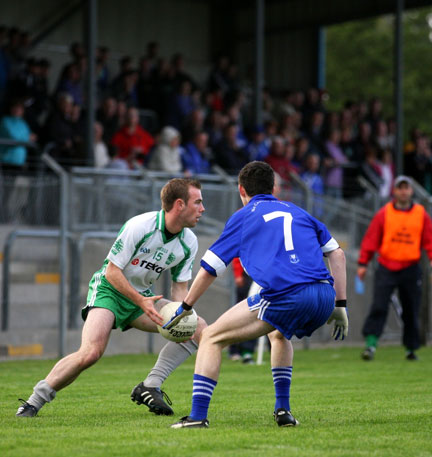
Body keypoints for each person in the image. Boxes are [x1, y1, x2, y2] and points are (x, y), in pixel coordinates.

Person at [166, 161, 348, 428]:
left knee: (212, 337)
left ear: (242, 190)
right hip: (324, 296)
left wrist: (185, 306)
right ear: (273, 188)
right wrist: (340, 304)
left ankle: (197, 417)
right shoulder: (299, 212)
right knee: (277, 333)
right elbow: (337, 253)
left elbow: (209, 269)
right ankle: (283, 411)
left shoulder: (244, 216)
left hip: (289, 295)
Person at [16, 178, 207, 417]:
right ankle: (33, 402)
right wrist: (140, 301)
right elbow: (112, 272)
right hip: (109, 290)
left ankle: (150, 386)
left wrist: (181, 314)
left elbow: (180, 288)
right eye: (198, 202)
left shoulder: (189, 242)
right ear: (179, 204)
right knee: (91, 353)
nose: (203, 209)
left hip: (143, 298)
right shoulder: (140, 226)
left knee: (197, 327)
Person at [357, 175, 432, 361]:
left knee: (411, 309)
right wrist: (363, 263)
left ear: (411, 191)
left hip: (411, 268)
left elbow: (431, 239)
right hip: (386, 266)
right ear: (394, 191)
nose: (403, 191)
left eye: (406, 188)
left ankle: (411, 348)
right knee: (379, 305)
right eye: (400, 188)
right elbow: (371, 239)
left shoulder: (421, 214)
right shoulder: (384, 213)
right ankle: (371, 345)